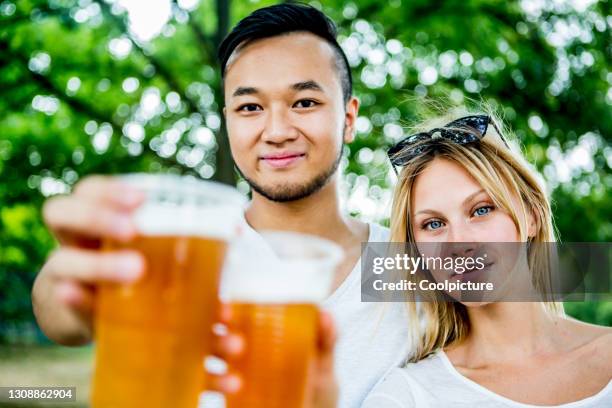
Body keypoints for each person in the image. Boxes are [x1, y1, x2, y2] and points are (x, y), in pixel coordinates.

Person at [31, 4, 410, 407]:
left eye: (304, 103)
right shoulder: (191, 254)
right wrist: (67, 283)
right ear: (228, 120)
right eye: (250, 108)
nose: (277, 131)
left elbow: (485, 280)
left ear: (349, 119)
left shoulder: (400, 262)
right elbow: (59, 315)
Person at [358, 108, 612, 407]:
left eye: (481, 210)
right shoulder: (407, 396)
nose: (459, 243)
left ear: (530, 216)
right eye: (434, 224)